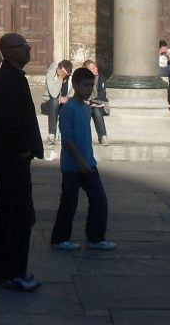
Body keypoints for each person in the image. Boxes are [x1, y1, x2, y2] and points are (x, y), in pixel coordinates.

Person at [0, 33, 44, 292]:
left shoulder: (11, 76)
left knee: (8, 215)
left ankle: (3, 271)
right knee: (19, 216)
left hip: (7, 158)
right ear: (9, 51)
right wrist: (22, 149)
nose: (27, 48)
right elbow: (9, 120)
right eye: (22, 46)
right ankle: (13, 273)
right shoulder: (9, 78)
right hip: (12, 159)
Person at [50, 67, 115, 252]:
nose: (89, 89)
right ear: (75, 85)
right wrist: (80, 161)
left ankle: (95, 237)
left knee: (99, 200)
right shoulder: (68, 108)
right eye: (85, 85)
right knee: (69, 203)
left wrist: (88, 160)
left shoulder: (86, 108)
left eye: (91, 85)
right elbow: (68, 139)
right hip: (73, 166)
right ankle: (60, 239)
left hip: (88, 162)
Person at [44, 59, 72, 144]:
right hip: (48, 104)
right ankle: (52, 135)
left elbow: (74, 94)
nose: (61, 73)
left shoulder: (71, 77)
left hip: (63, 105)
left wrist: (67, 99)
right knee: (54, 100)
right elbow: (54, 94)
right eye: (59, 71)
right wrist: (60, 78)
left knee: (71, 105)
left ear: (69, 73)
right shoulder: (51, 74)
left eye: (64, 73)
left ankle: (66, 134)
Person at [83, 59, 110, 146]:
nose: (95, 69)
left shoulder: (102, 79)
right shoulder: (84, 81)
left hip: (101, 104)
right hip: (88, 105)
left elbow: (101, 95)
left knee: (96, 109)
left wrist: (91, 102)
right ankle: (85, 138)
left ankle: (103, 137)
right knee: (88, 110)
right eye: (92, 68)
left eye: (95, 67)